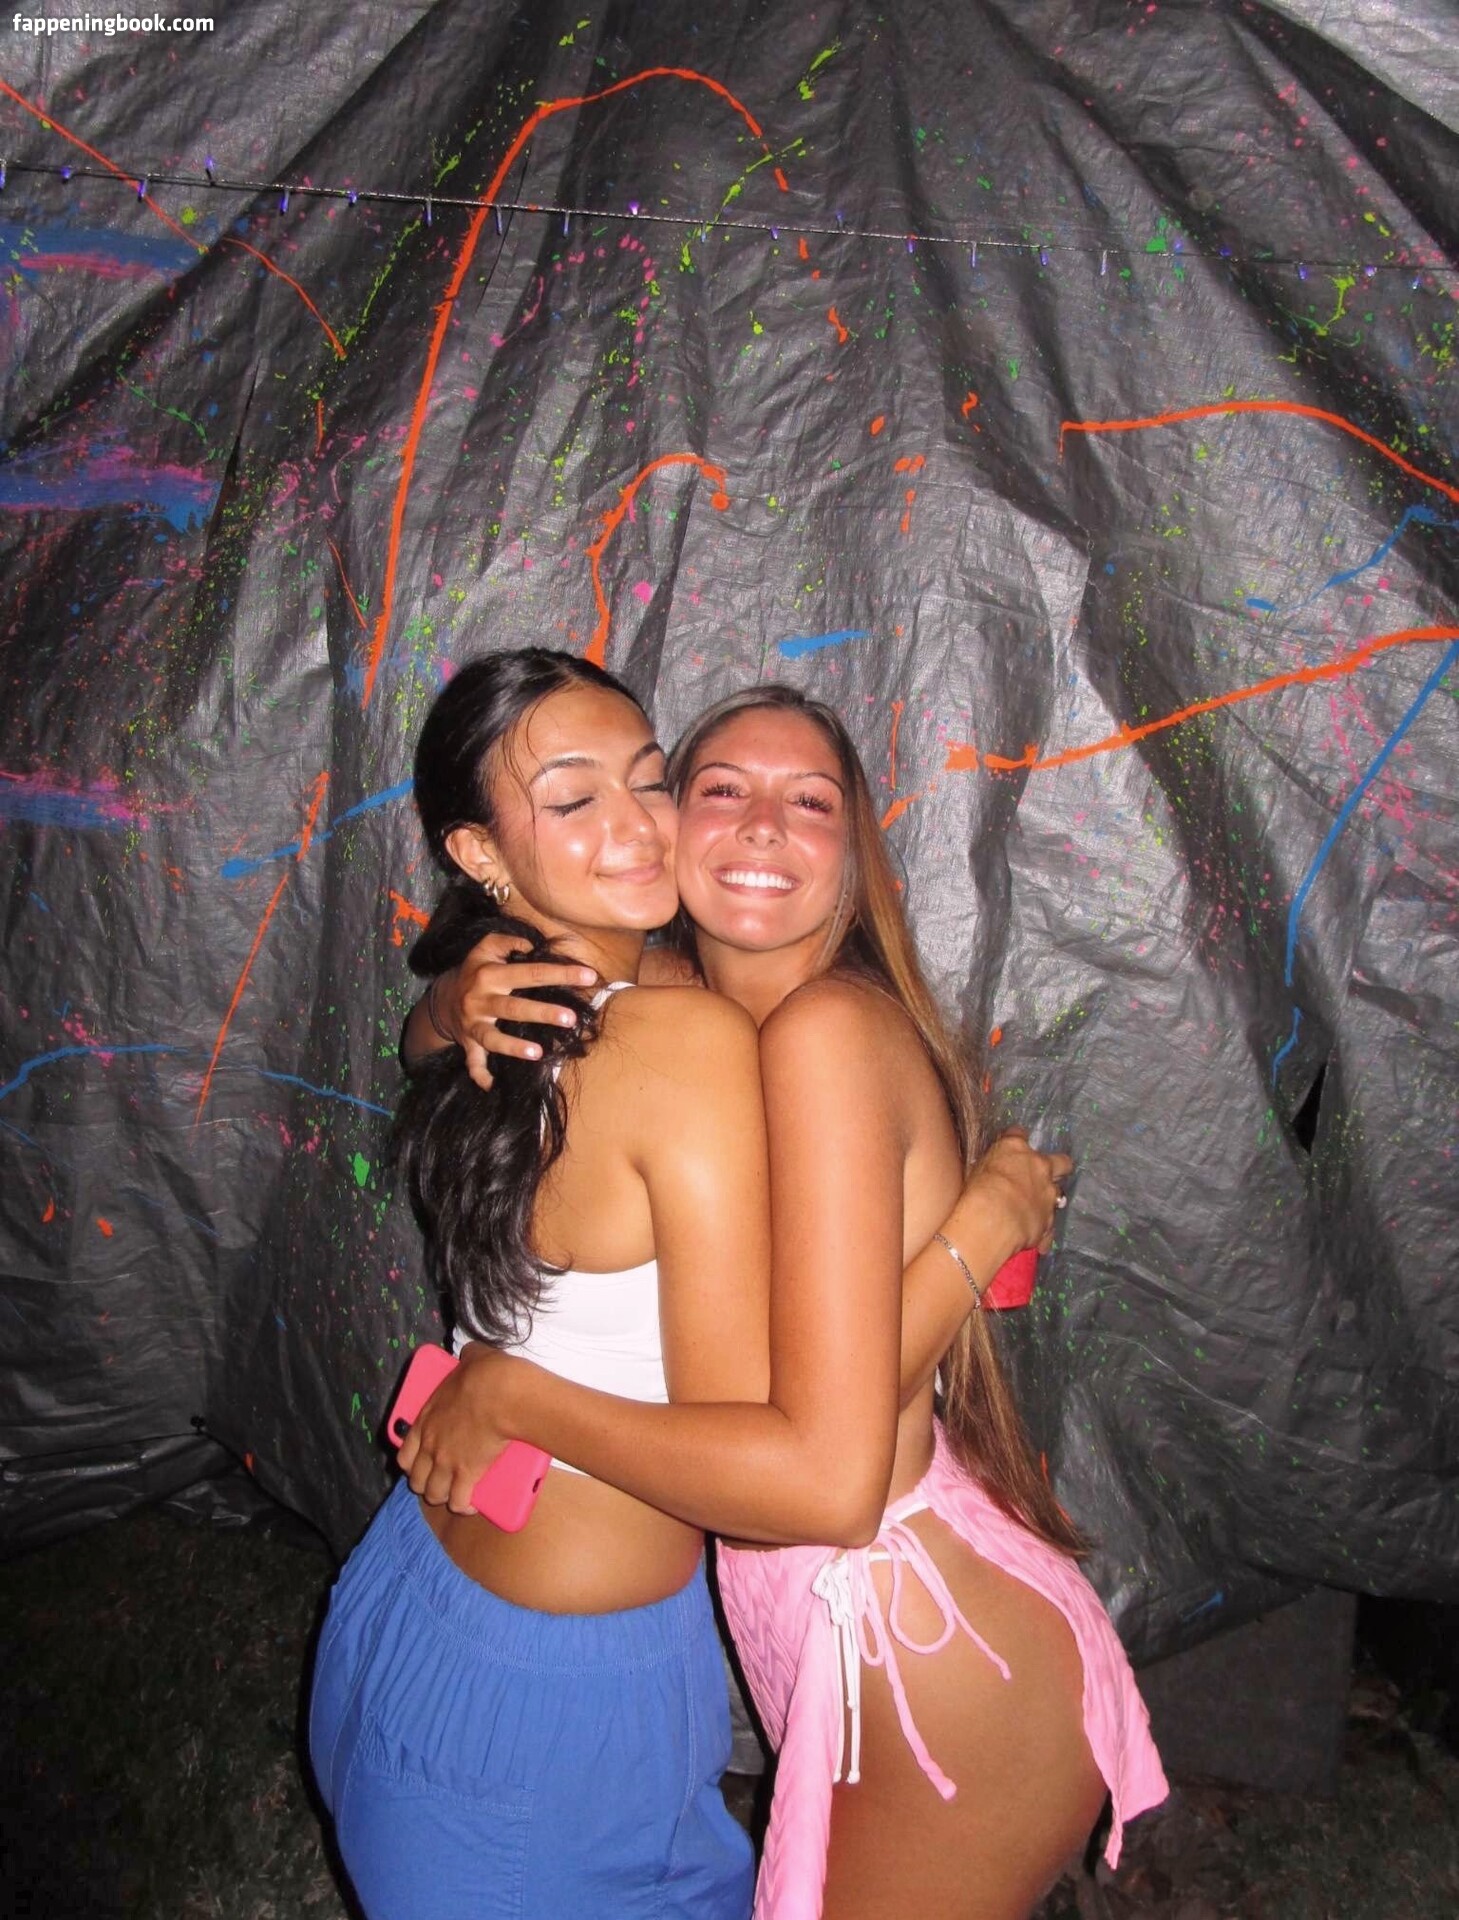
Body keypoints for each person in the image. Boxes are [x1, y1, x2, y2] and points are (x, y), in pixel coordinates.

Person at [309, 650, 1068, 1920]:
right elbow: (811, 1480)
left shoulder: (522, 994)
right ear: (481, 852)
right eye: (574, 797)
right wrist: (980, 1225)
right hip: (551, 1701)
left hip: (404, 1599)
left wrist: (443, 998)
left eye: (648, 780)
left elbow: (419, 1043)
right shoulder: (683, 1039)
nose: (635, 823)